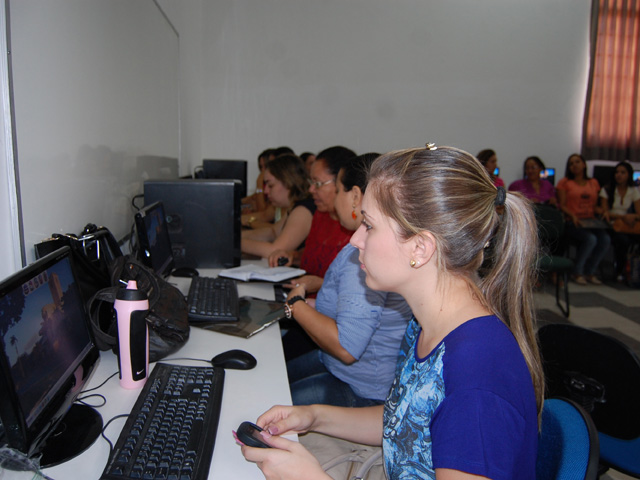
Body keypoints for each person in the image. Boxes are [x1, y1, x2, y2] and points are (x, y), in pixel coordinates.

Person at [240, 145, 544, 480]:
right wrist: (314, 416)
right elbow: (404, 421)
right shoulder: (426, 324)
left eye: (368, 225)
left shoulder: (477, 377)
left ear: (420, 248)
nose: (356, 239)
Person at [285, 153, 412, 408]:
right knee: (274, 379)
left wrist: (295, 305)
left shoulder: (363, 254)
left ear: (355, 196)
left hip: (361, 389)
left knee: (268, 400)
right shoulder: (378, 245)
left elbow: (347, 348)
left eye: (338, 191)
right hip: (343, 369)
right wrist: (318, 291)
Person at [269, 146, 356, 290]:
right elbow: (318, 254)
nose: (311, 190)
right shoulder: (320, 215)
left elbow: (359, 288)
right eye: (311, 183)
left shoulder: (358, 227)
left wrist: (321, 285)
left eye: (318, 183)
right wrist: (293, 256)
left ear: (342, 184)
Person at [241, 154, 315, 259]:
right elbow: (273, 232)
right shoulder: (295, 206)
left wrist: (234, 243)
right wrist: (234, 237)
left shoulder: (303, 210)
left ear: (288, 182)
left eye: (270, 185)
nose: (266, 191)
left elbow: (276, 250)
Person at [556, 153, 611, 285]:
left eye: (577, 162)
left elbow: (595, 205)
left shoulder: (593, 183)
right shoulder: (564, 183)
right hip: (573, 222)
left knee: (605, 239)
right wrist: (573, 216)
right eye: (571, 163)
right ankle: (577, 271)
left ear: (584, 164)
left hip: (591, 221)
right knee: (591, 239)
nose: (574, 165)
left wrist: (603, 211)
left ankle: (590, 271)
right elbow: (561, 205)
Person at [599, 161, 640, 281]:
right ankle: (619, 272)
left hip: (628, 225)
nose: (619, 175)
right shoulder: (607, 190)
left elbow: (639, 213)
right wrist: (623, 217)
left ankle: (633, 271)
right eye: (617, 172)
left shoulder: (633, 191)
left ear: (629, 175)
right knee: (623, 241)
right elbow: (605, 213)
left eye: (623, 172)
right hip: (612, 226)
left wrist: (631, 217)